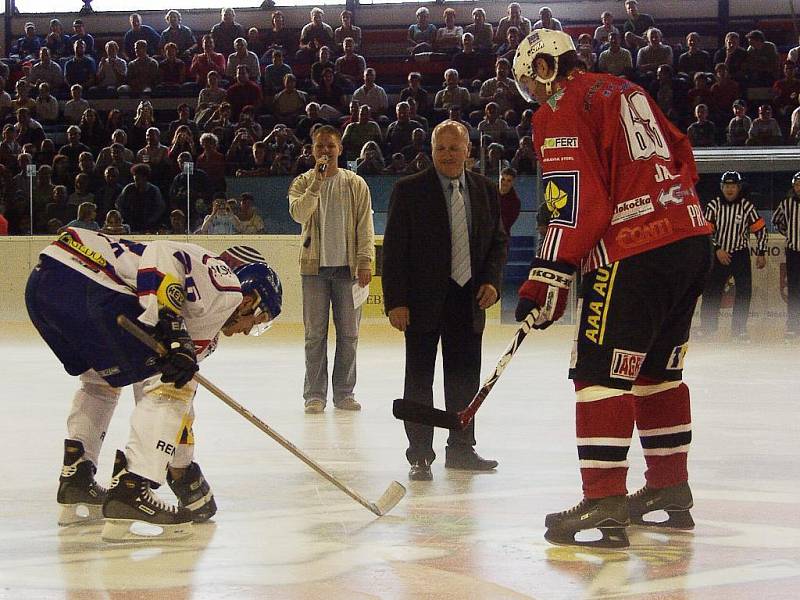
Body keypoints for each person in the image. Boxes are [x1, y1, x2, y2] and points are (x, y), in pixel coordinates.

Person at [512, 29, 713, 548]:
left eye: (530, 84)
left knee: (599, 373)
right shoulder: (627, 88)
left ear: (544, 69)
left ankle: (604, 502)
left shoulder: (560, 105)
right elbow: (684, 153)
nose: (533, 96)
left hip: (633, 251)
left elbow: (573, 200)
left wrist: (548, 274)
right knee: (657, 372)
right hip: (688, 237)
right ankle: (669, 489)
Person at [25, 230, 282, 541]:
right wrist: (171, 324)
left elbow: (156, 387)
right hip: (89, 282)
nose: (246, 331)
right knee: (174, 386)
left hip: (45, 285)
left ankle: (77, 480)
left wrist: (183, 468)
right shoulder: (226, 286)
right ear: (251, 299)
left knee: (102, 380)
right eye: (258, 321)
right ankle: (133, 489)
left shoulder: (203, 324)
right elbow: (163, 253)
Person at [382, 120, 507, 481]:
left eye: (455, 148)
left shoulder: (485, 190)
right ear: (432, 151)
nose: (448, 155)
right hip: (421, 304)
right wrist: (397, 302)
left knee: (464, 378)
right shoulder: (409, 191)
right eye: (441, 148)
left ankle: (462, 449)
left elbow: (498, 242)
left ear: (468, 150)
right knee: (419, 380)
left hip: (468, 299)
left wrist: (492, 282)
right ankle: (420, 455)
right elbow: (394, 251)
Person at [288, 125, 375, 414]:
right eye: (319, 147)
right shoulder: (302, 183)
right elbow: (299, 214)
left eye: (330, 146)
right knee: (315, 335)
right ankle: (314, 395)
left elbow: (365, 225)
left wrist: (365, 261)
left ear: (339, 149)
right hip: (314, 270)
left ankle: (344, 393)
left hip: (348, 270)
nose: (325, 151)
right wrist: (317, 183)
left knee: (349, 335)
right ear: (312, 151)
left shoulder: (355, 184)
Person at [699, 172, 767, 341]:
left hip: (740, 254)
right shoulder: (713, 205)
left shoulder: (747, 206)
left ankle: (739, 330)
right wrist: (718, 249)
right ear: (721, 187)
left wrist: (761, 252)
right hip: (719, 254)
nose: (729, 189)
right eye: (726, 186)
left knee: (744, 292)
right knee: (711, 292)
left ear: (738, 188)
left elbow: (761, 230)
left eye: (733, 186)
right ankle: (707, 329)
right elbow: (707, 232)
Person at [773, 173, 800, 341]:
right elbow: (777, 220)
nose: (799, 187)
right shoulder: (787, 204)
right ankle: (793, 326)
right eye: (797, 184)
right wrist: (789, 233)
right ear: (793, 186)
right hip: (793, 252)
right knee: (795, 290)